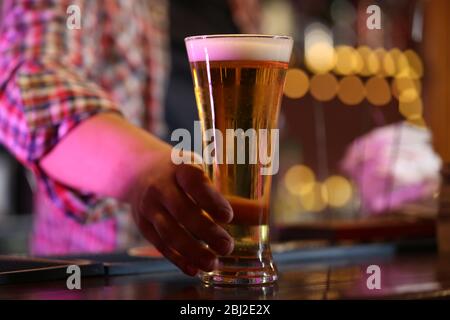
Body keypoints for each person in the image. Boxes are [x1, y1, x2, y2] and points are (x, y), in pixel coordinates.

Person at [0, 0, 260, 276]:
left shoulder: (244, 7)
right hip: (99, 277)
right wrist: (143, 168)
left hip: (226, 267)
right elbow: (30, 84)